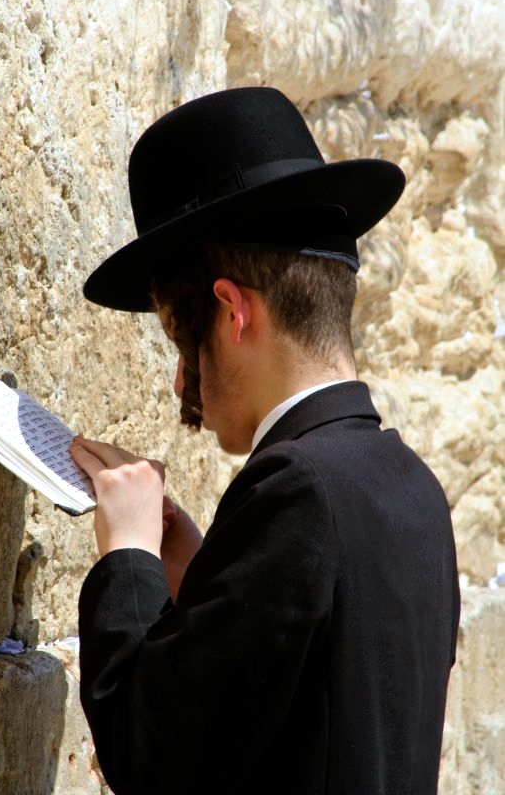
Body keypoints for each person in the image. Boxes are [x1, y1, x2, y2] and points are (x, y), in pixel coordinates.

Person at [71, 87, 460, 795]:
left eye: (177, 340)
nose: (181, 381)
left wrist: (126, 556)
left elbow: (150, 757)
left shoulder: (299, 491)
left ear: (232, 312)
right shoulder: (411, 485)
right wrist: (203, 584)